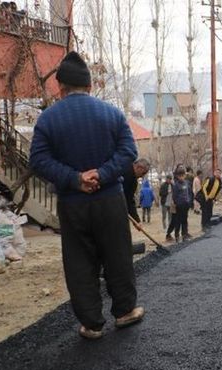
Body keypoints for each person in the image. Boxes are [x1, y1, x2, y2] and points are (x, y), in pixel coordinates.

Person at [29, 51, 144, 340]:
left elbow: (38, 161)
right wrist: (103, 175)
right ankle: (125, 312)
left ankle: (91, 324)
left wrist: (75, 179)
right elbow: (129, 151)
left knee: (80, 262)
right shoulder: (112, 114)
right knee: (118, 255)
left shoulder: (48, 120)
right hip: (109, 200)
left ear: (61, 87)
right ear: (90, 86)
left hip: (73, 203)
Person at [167, 166, 193, 242]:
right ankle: (176, 235)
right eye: (180, 176)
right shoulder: (176, 185)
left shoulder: (187, 183)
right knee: (178, 221)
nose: (181, 177)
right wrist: (177, 203)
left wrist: (190, 202)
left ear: (185, 175)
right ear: (177, 176)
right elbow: (174, 196)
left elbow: (190, 193)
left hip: (186, 205)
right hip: (179, 206)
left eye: (183, 175)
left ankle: (184, 234)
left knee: (185, 220)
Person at [122, 158, 150, 225]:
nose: (142, 176)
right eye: (143, 173)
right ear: (139, 167)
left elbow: (129, 200)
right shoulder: (123, 166)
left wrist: (137, 221)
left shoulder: (134, 181)